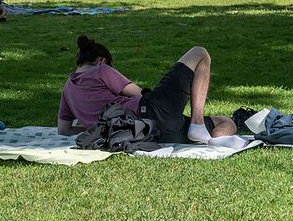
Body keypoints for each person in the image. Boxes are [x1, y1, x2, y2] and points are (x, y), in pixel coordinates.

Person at [57, 36, 236, 144]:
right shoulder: (102, 70)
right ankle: (199, 125)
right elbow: (139, 93)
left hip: (146, 135)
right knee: (200, 53)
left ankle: (207, 138)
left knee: (221, 121)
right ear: (102, 61)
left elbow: (63, 129)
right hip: (152, 112)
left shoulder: (67, 90)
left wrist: (92, 126)